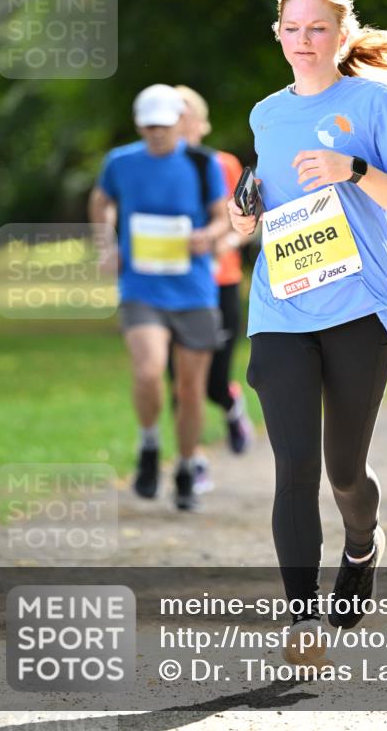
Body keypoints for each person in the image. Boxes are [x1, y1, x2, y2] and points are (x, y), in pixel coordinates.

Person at [227, 0, 387, 660]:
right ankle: (301, 620)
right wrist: (243, 209)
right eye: (292, 28)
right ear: (278, 35)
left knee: (344, 470)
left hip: (357, 306)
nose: (304, 41)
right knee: (294, 467)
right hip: (281, 304)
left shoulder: (373, 104)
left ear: (341, 36)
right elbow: (264, 198)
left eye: (318, 28)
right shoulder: (265, 113)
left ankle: (361, 543)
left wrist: (352, 170)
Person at [89, 84, 229, 511]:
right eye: (149, 127)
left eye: (164, 127)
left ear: (179, 123)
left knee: (190, 389)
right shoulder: (121, 162)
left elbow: (224, 218)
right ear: (139, 124)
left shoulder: (203, 164)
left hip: (193, 290)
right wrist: (105, 244)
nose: (156, 134)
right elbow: (100, 201)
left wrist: (209, 234)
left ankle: (186, 467)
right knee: (148, 371)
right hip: (140, 287)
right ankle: (149, 445)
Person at [167, 86, 254, 494]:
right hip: (170, 285)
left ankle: (232, 405)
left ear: (201, 122)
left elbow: (246, 221)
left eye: (185, 113)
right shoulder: (157, 165)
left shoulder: (224, 164)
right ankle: (195, 460)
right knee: (180, 382)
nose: (178, 120)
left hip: (219, 283)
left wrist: (226, 241)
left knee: (213, 382)